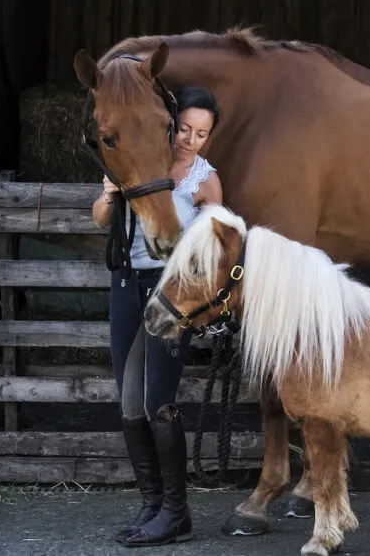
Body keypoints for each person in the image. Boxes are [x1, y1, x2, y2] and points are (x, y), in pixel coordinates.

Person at [91, 85, 223, 547]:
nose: (189, 139)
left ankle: (176, 512)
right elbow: (100, 219)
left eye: (200, 133)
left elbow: (217, 243)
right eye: (184, 128)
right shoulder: (138, 160)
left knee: (158, 402)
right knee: (129, 403)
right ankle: (151, 504)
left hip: (172, 292)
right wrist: (110, 193)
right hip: (127, 285)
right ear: (169, 124)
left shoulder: (204, 180)